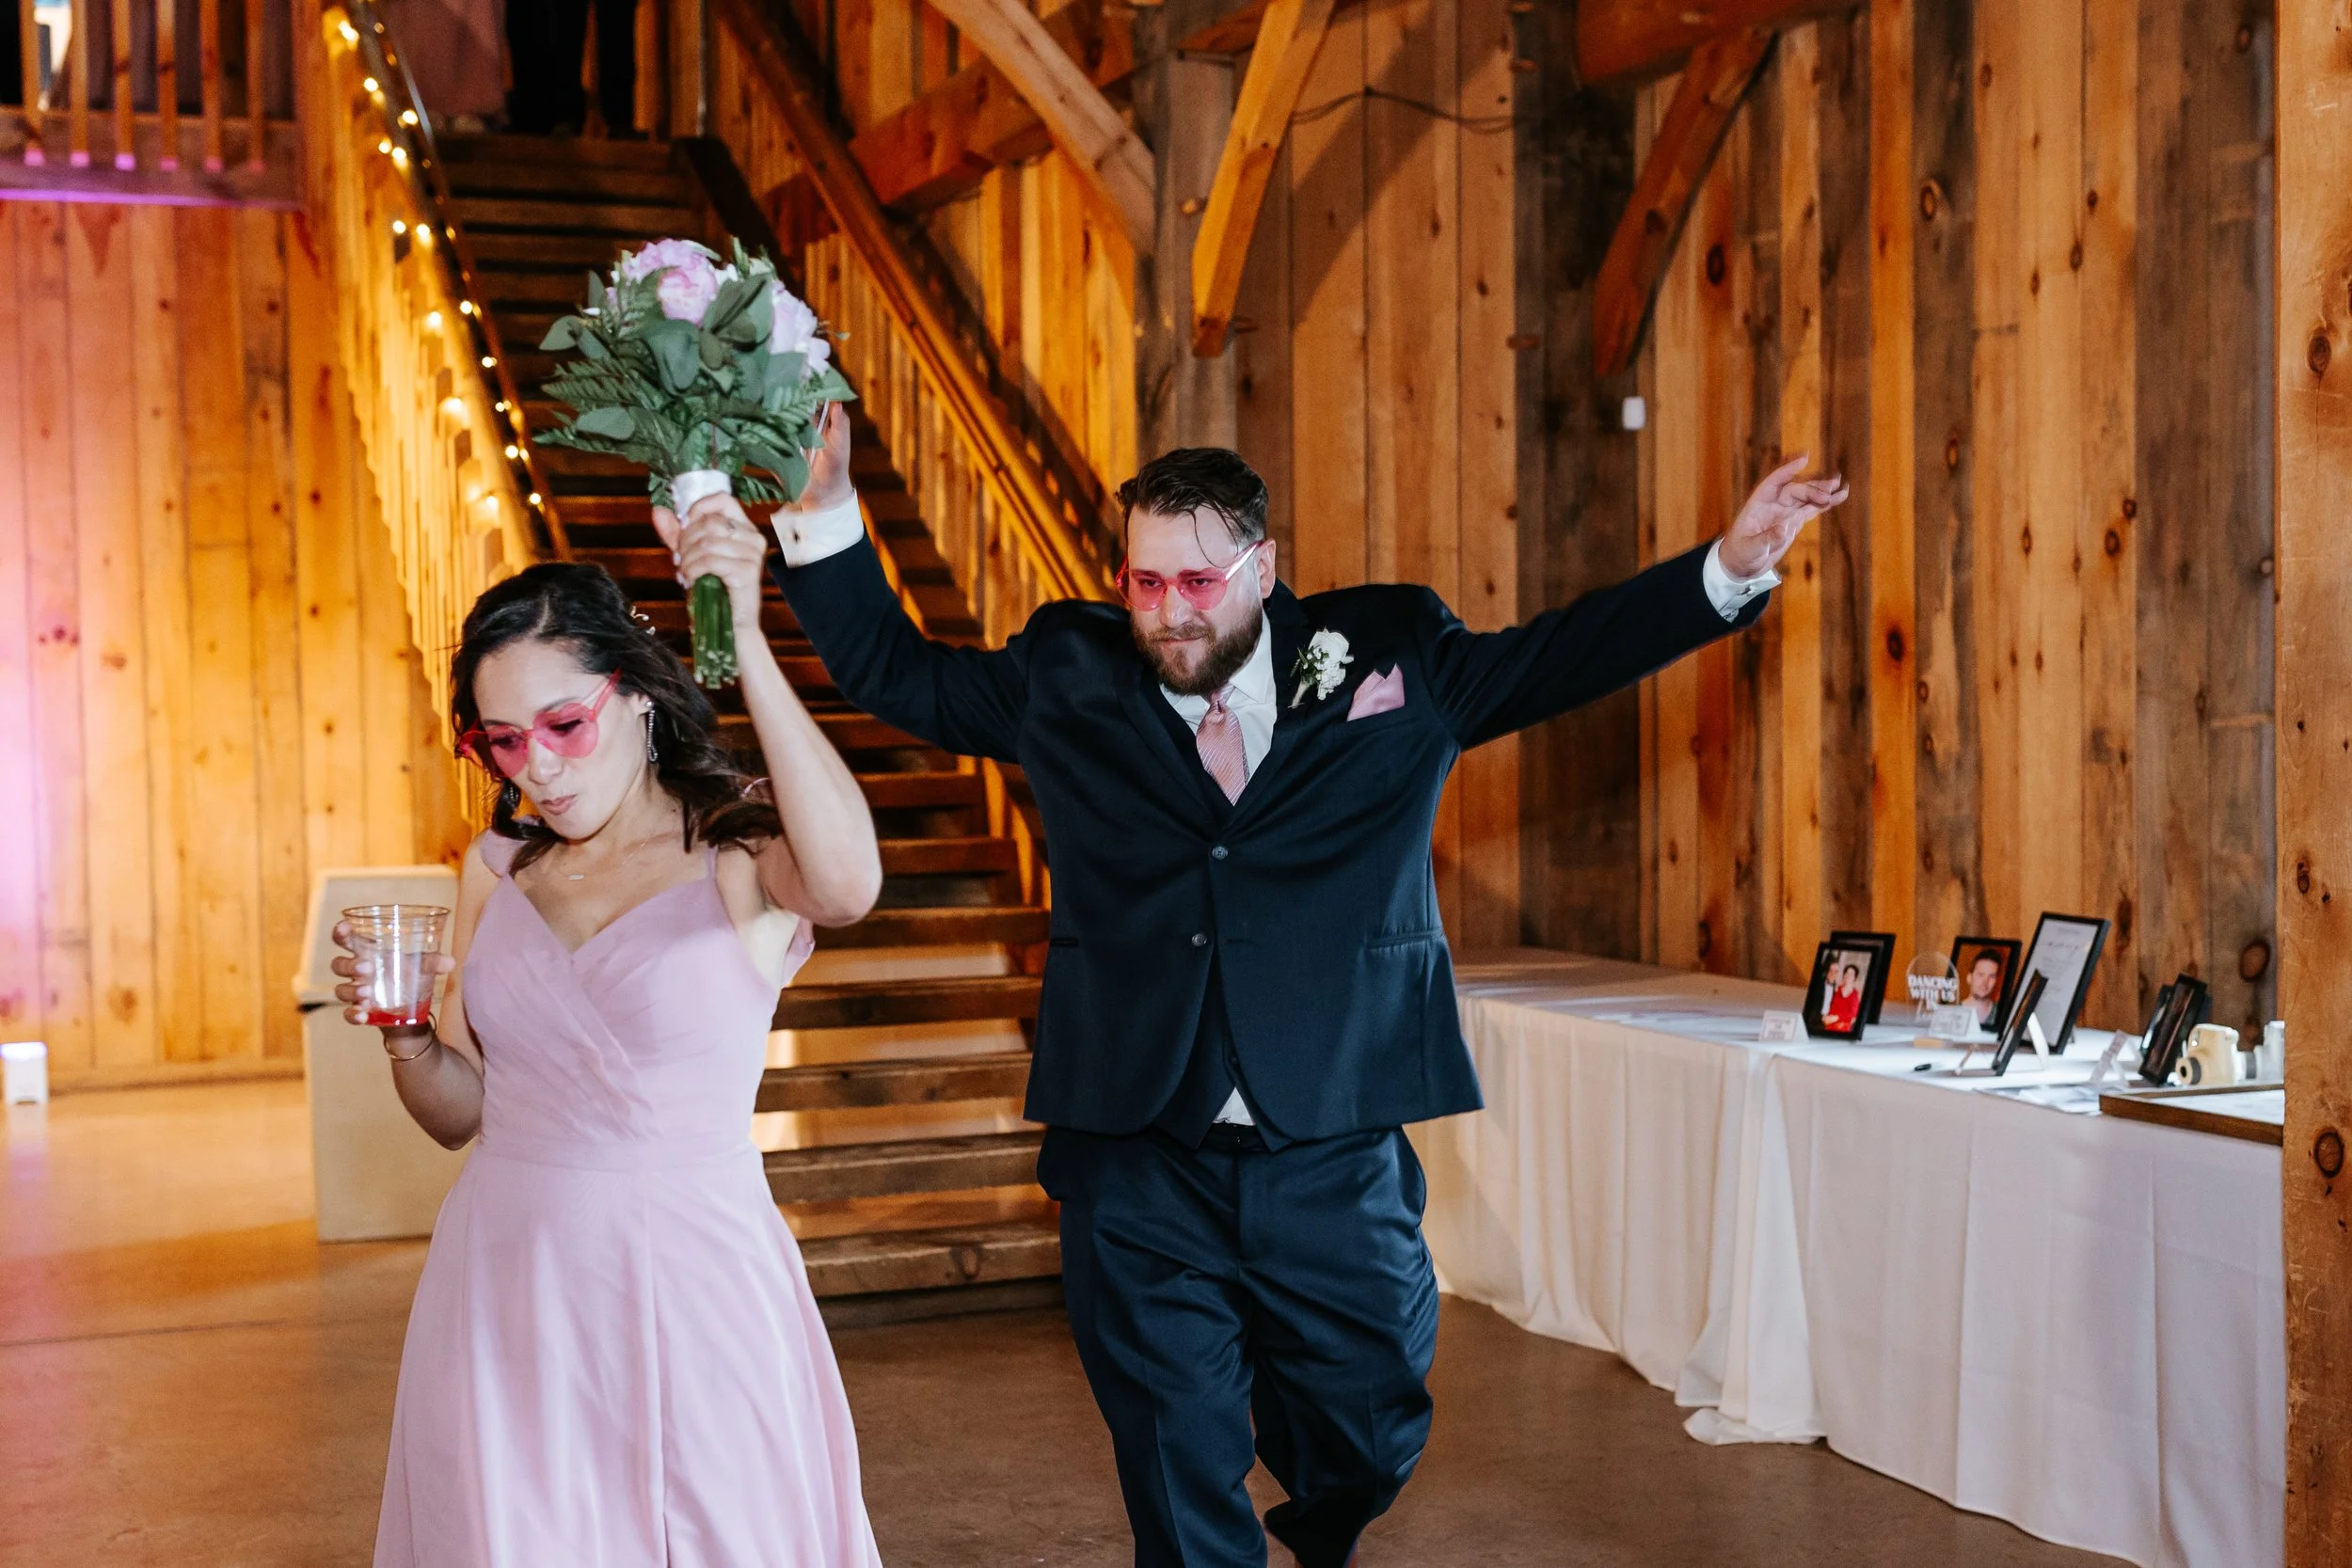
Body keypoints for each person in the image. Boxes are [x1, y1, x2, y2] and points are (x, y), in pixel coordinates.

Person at [751, 416, 1844, 1568]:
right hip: (1135, 1140)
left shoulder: (1388, 650)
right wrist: (825, 509)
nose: (1167, 609)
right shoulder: (1066, 671)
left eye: (1196, 580)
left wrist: (1731, 564)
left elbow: (1559, 656)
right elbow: (896, 671)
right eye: (1142, 579)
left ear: (1264, 569)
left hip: (1329, 1127)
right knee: (1175, 1453)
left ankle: (1325, 1512)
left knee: (1364, 1424)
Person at [335, 506, 885, 1567]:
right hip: (508, 1280)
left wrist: (752, 640)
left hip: (696, 1274)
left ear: (634, 691)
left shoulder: (740, 850)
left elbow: (852, 884)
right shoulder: (495, 867)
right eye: (500, 739)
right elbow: (464, 1114)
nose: (534, 765)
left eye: (562, 724)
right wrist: (405, 1036)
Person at [1963, 950, 2005, 1028]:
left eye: (1992, 976)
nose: (1985, 982)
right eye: (1981, 975)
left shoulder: (2004, 1015)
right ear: (1969, 978)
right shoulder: (1952, 1013)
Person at [1821, 959, 1865, 1034]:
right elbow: (1829, 1005)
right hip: (1828, 1023)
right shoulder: (1837, 990)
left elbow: (1853, 1015)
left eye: (1851, 974)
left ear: (1854, 978)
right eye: (1847, 973)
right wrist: (1826, 1017)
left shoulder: (1855, 994)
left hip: (1842, 1027)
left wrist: (1837, 1018)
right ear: (1844, 975)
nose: (1848, 975)